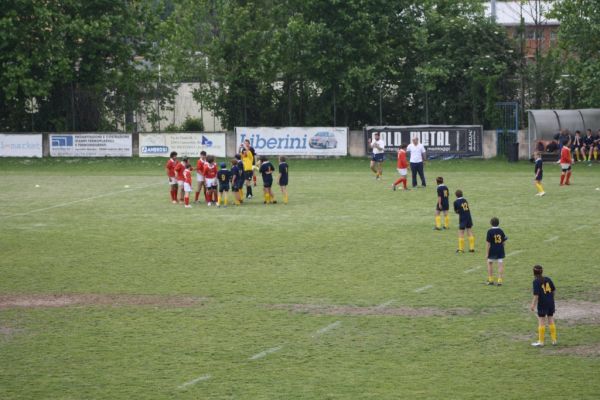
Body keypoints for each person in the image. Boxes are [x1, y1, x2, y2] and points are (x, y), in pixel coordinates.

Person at [530, 265, 558, 347]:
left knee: (541, 321)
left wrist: (533, 305)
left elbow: (536, 295)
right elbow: (553, 290)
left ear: (534, 272)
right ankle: (554, 340)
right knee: (551, 319)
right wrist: (551, 299)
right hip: (550, 302)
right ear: (542, 271)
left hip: (542, 303)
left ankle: (541, 342)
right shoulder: (548, 279)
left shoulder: (536, 282)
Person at [485, 217, 507, 286]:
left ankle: (491, 280)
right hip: (500, 249)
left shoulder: (489, 231)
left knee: (490, 263)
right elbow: (504, 241)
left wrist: (487, 253)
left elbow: (488, 244)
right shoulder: (501, 230)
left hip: (492, 250)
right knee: (500, 264)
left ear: (491, 223)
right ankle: (500, 280)